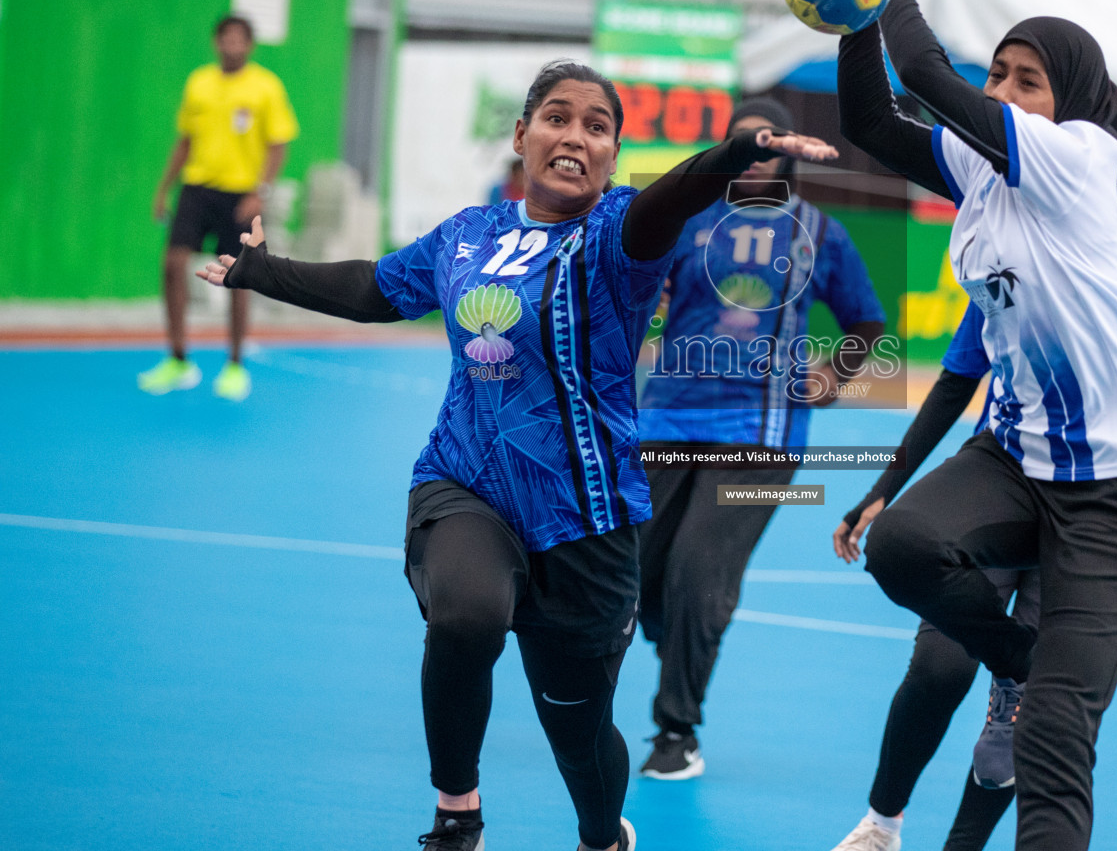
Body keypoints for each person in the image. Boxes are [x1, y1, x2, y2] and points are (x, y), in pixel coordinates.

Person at [194, 60, 839, 851]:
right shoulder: (469, 233)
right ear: (522, 134)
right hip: (466, 481)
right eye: (557, 117)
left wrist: (733, 155)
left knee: (577, 730)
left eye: (596, 126)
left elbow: (672, 196)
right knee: (466, 616)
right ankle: (456, 816)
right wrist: (264, 271)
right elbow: (374, 288)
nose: (574, 136)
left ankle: (604, 836)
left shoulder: (618, 235)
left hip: (585, 516)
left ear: (610, 153)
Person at [836, 0, 1117, 850]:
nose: (1002, 90)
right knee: (903, 547)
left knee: (1053, 742)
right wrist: (850, 8)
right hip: (1018, 454)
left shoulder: (1080, 157)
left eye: (1025, 80)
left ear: (1067, 100)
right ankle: (1021, 662)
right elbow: (872, 114)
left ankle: (1039, 696)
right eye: (995, 73)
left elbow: (918, 69)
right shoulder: (984, 171)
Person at [827, 246, 1117, 851]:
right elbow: (958, 380)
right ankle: (881, 825)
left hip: (1090, 511)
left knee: (1028, 722)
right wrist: (885, 488)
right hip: (1004, 484)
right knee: (939, 668)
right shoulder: (1004, 274)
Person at [634, 97, 887, 779]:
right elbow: (636, 301)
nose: (757, 157)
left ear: (793, 156)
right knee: (635, 578)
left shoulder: (819, 234)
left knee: (697, 572)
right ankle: (680, 636)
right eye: (745, 145)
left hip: (760, 431)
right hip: (665, 421)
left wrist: (835, 375)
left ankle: (676, 730)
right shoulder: (682, 224)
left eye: (770, 146)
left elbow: (865, 323)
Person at [139, 14, 298, 402]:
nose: (232, 45)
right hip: (196, 189)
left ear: (250, 45)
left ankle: (235, 364)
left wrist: (260, 192)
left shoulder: (266, 87)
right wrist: (164, 188)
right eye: (225, 38)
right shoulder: (199, 83)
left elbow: (278, 145)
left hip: (240, 195)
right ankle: (178, 360)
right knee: (172, 265)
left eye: (239, 39)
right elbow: (185, 140)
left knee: (237, 277)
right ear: (216, 42)